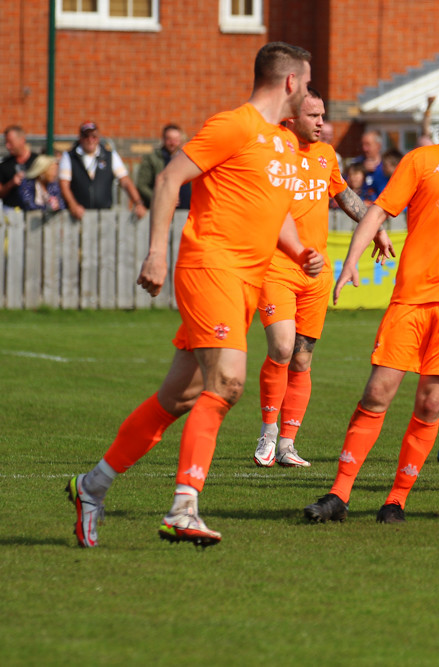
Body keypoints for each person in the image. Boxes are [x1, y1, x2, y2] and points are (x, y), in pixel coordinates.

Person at [66, 42, 322, 549]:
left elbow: (277, 209)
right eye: (308, 83)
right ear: (290, 83)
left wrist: (299, 251)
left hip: (246, 282)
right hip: (211, 267)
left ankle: (90, 487)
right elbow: (167, 179)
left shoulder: (285, 143)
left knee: (179, 397)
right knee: (227, 382)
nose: (310, 94)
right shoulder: (234, 125)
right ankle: (184, 508)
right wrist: (157, 253)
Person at [303, 75, 439, 525]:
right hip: (411, 300)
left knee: (429, 404)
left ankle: (397, 499)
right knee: (377, 392)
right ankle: (339, 494)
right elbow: (379, 212)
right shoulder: (422, 161)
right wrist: (350, 261)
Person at [253, 87, 392, 469]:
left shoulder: (327, 155)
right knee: (281, 348)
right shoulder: (275, 148)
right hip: (276, 266)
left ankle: (287, 443)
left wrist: (375, 226)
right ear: (291, 117)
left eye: (323, 116)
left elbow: (346, 196)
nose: (322, 124)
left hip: (316, 273)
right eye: (314, 116)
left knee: (301, 359)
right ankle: (266, 433)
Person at [59, 122, 147, 220]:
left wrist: (138, 202)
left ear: (99, 138)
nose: (90, 140)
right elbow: (64, 185)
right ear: (80, 138)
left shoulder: (109, 156)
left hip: (104, 216)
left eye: (94, 136)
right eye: (86, 136)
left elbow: (125, 181)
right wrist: (73, 205)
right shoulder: (70, 156)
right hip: (77, 216)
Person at [136, 124, 192, 209]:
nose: (173, 143)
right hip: (162, 208)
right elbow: (142, 185)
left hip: (186, 208)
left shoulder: (186, 157)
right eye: (169, 139)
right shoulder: (153, 158)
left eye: (176, 140)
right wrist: (160, 199)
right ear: (163, 139)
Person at [0, 125, 39, 208]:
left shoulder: (37, 161)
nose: (7, 146)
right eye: (6, 143)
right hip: (11, 213)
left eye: (10, 142)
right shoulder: (4, 165)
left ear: (22, 140)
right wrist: (11, 183)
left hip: (36, 213)